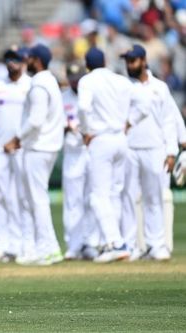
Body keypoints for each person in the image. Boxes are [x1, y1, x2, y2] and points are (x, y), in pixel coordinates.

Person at [77, 47, 148, 263]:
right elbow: (145, 105)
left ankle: (115, 243)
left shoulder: (87, 81)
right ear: (105, 61)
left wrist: (85, 131)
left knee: (98, 196)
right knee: (114, 193)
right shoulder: (121, 81)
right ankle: (117, 242)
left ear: (87, 65)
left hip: (101, 140)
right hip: (121, 139)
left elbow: (82, 107)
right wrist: (129, 122)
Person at [4, 44, 64, 266]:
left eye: (29, 57)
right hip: (47, 146)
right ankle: (43, 248)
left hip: (38, 147)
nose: (26, 60)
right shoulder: (50, 81)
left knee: (37, 199)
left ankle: (49, 249)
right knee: (36, 198)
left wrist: (16, 139)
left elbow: (36, 120)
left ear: (37, 60)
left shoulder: (39, 84)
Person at [120, 44, 178, 261]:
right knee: (128, 197)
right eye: (127, 61)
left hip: (154, 148)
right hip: (129, 147)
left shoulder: (160, 87)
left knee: (154, 197)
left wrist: (171, 151)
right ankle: (131, 245)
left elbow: (168, 120)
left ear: (143, 61)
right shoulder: (125, 87)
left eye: (132, 60)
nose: (129, 65)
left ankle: (157, 245)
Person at [0, 45, 31, 263]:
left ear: (24, 61)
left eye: (16, 58)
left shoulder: (30, 84)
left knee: (21, 197)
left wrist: (21, 140)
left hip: (22, 148)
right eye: (9, 58)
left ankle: (21, 244)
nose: (12, 62)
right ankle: (1, 244)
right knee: (0, 197)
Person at [60, 63, 101, 260]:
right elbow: (54, 121)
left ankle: (91, 243)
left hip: (91, 149)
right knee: (72, 200)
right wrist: (66, 126)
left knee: (92, 198)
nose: (75, 82)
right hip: (72, 151)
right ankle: (73, 245)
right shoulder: (63, 97)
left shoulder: (90, 92)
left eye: (78, 78)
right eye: (72, 78)